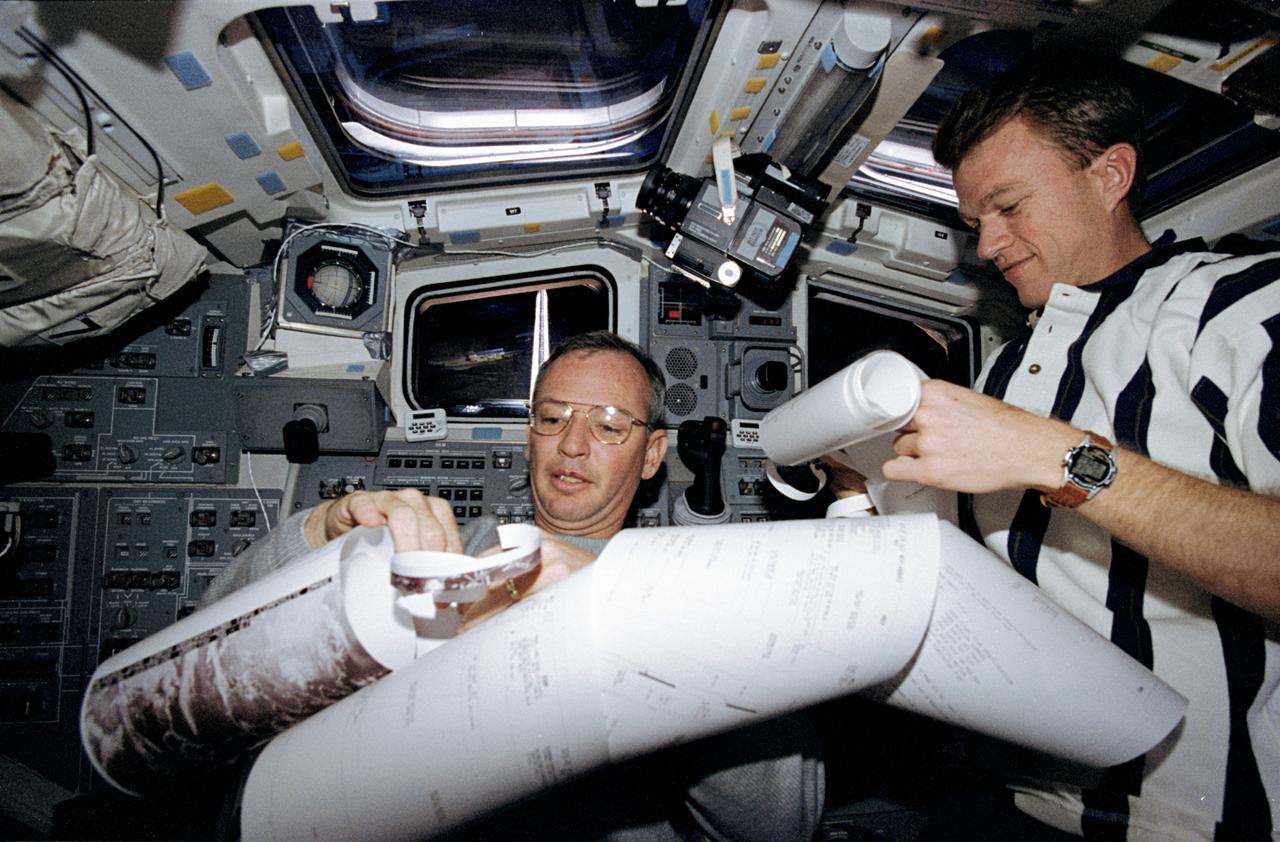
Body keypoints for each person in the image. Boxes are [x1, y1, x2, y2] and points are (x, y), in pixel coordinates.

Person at [833, 56, 1280, 840]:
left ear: (1110, 174)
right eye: (976, 224)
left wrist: (1056, 455)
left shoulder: (1237, 310)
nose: (988, 245)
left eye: (1007, 206)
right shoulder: (1006, 367)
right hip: (999, 797)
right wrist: (854, 485)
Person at [203, 330, 825, 842]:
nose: (573, 444)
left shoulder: (695, 597)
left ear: (653, 453)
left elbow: (779, 827)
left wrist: (637, 622)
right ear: (530, 439)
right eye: (552, 418)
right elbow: (208, 645)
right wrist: (317, 534)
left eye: (609, 426)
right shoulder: (442, 548)